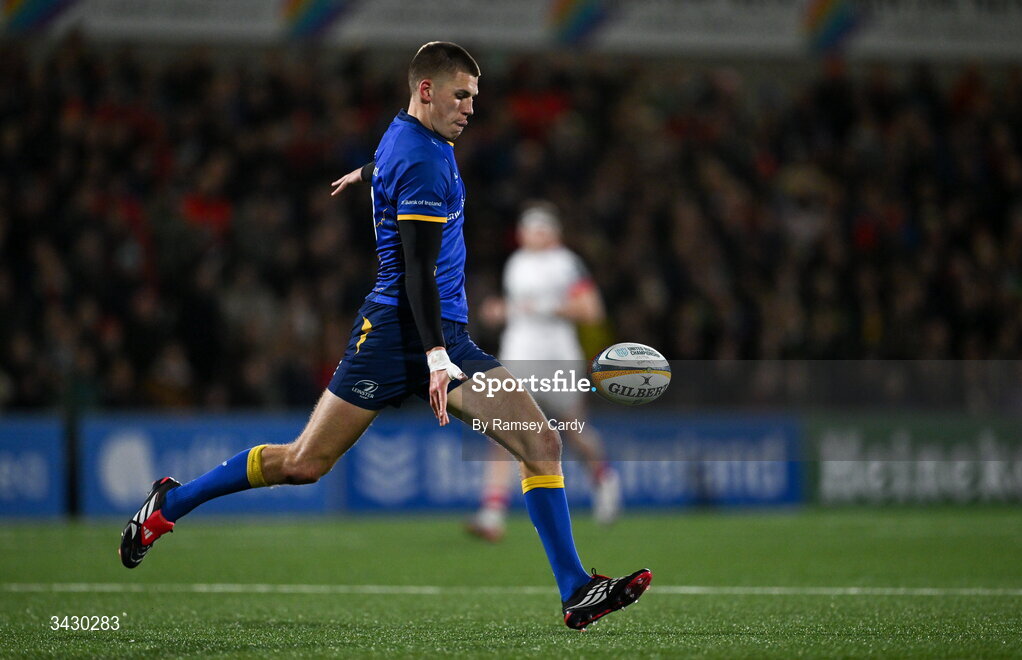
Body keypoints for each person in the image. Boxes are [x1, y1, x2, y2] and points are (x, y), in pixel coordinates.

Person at [118, 42, 650, 630]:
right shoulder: (423, 158)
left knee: (540, 442)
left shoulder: (412, 140)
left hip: (443, 333)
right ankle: (169, 503)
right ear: (426, 90)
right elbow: (418, 270)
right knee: (302, 463)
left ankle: (576, 589)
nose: (472, 106)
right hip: (400, 334)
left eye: (475, 96)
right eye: (461, 94)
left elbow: (397, 165)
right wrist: (437, 357)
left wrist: (372, 175)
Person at [466, 202, 622, 543]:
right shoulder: (517, 264)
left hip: (557, 358)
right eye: (529, 228)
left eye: (541, 229)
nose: (534, 235)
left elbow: (591, 310)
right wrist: (502, 311)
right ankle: (492, 513)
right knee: (502, 430)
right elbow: (518, 311)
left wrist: (539, 307)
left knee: (573, 429)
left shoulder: (566, 263)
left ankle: (603, 476)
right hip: (519, 356)